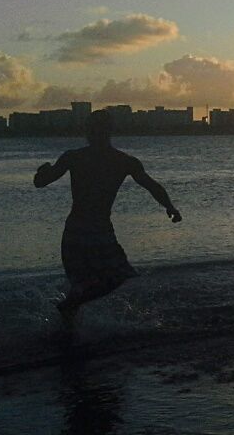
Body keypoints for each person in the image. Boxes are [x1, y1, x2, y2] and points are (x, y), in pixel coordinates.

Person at [34, 109, 182, 329]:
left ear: (89, 131)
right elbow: (152, 185)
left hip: (75, 230)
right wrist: (169, 206)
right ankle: (70, 317)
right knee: (116, 276)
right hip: (98, 231)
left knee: (80, 285)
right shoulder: (123, 161)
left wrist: (42, 171)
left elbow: (40, 182)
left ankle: (68, 329)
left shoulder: (74, 157)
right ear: (109, 131)